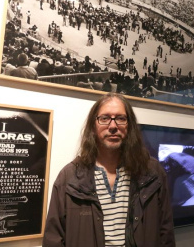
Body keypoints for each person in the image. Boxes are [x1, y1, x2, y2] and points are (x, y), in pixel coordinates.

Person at [43, 93, 175, 246]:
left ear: (129, 125)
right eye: (104, 118)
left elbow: (166, 233)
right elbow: (53, 239)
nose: (113, 126)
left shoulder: (153, 172)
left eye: (120, 118)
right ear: (93, 125)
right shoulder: (69, 177)